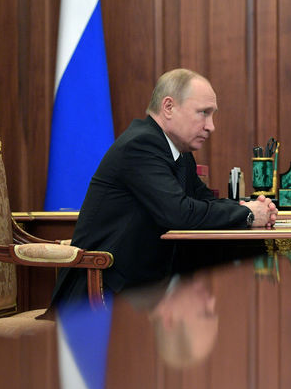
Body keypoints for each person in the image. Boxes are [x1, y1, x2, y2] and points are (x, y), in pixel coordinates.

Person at [51, 68, 277, 305]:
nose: (211, 126)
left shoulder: (177, 150)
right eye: (203, 113)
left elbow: (204, 201)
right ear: (168, 107)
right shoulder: (141, 144)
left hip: (142, 287)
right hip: (100, 295)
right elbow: (178, 213)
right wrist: (249, 214)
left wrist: (251, 207)